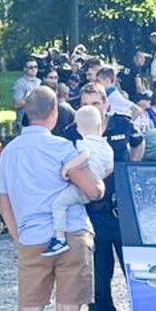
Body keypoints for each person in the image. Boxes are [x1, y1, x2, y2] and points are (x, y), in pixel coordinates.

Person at [0, 87, 105, 311]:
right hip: (70, 236)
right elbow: (93, 191)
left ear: (26, 112)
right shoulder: (63, 148)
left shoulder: (9, 153)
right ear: (54, 114)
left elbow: (4, 202)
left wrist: (20, 239)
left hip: (31, 239)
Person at [63, 84, 144, 311]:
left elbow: (138, 144)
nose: (91, 108)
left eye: (96, 103)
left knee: (140, 281)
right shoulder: (72, 134)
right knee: (98, 286)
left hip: (123, 216)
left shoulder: (121, 125)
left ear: (106, 106)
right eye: (85, 104)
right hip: (91, 217)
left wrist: (128, 174)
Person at [46, 105, 113, 255]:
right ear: (100, 125)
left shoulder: (83, 143)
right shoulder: (107, 147)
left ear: (78, 129)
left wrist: (67, 167)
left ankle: (59, 238)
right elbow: (109, 169)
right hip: (94, 187)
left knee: (58, 204)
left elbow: (85, 156)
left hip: (80, 188)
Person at [11, 58, 42, 124]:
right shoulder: (19, 84)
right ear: (25, 69)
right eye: (31, 67)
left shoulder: (40, 82)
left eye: (36, 67)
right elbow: (17, 104)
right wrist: (32, 99)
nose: (34, 69)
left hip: (39, 121)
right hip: (24, 122)